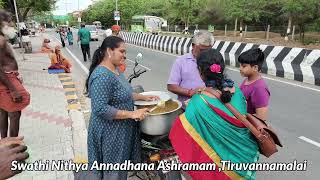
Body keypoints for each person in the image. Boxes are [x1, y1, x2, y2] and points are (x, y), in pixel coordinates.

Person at [169, 49, 259, 180]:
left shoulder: (198, 101)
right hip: (244, 156)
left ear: (200, 72)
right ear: (222, 69)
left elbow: (182, 133)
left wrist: (192, 107)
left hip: (221, 165)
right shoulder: (237, 91)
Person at [85, 36, 159, 180]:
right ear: (109, 51)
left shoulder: (116, 71)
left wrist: (144, 97)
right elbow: (100, 109)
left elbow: (125, 93)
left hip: (121, 131)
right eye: (122, 51)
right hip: (110, 135)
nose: (125, 55)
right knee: (114, 172)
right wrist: (132, 114)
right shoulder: (102, 75)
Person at [0, 10, 30, 138]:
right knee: (14, 114)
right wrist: (13, 90)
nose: (11, 24)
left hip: (8, 78)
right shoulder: (0, 40)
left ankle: (5, 143)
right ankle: (13, 147)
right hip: (7, 80)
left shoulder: (3, 39)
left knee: (3, 112)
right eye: (8, 21)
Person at [167, 30, 214, 109]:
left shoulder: (214, 61)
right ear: (193, 45)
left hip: (207, 109)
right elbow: (171, 86)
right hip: (185, 109)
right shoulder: (181, 61)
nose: (205, 53)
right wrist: (191, 92)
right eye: (202, 50)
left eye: (208, 50)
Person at [238, 48, 270, 121]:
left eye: (244, 66)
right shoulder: (247, 80)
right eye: (240, 65)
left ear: (255, 68)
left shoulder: (260, 88)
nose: (240, 68)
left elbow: (261, 119)